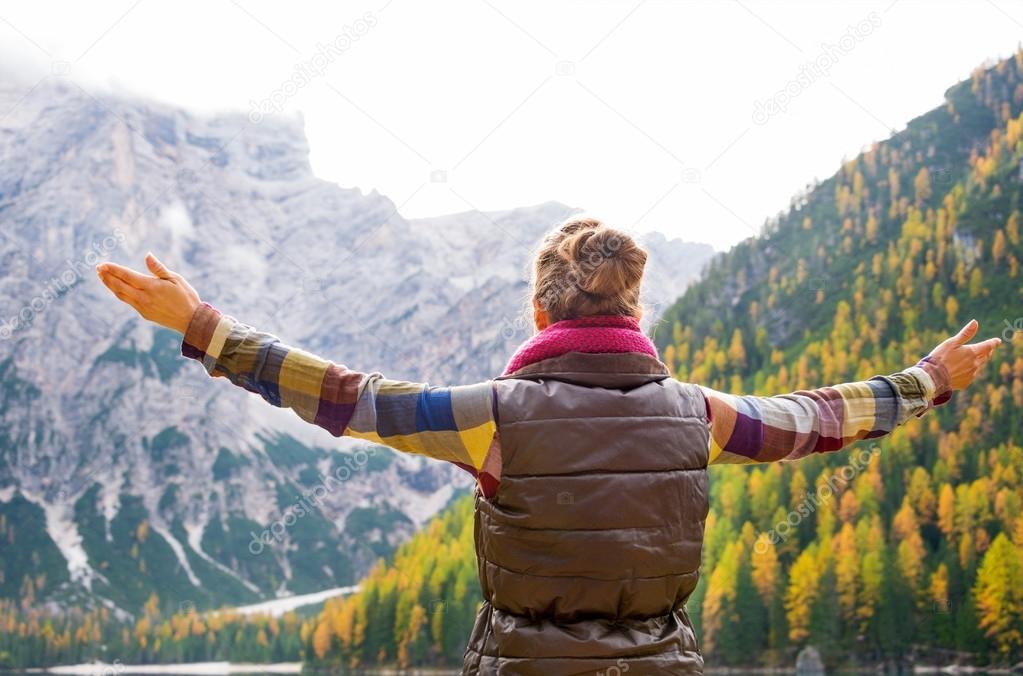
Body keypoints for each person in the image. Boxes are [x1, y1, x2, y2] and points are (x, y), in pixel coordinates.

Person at [96, 216, 1000, 675]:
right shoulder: (703, 417)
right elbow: (816, 419)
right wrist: (925, 380)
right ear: (633, 312)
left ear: (539, 313)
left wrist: (209, 329)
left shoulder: (492, 416)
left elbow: (348, 399)